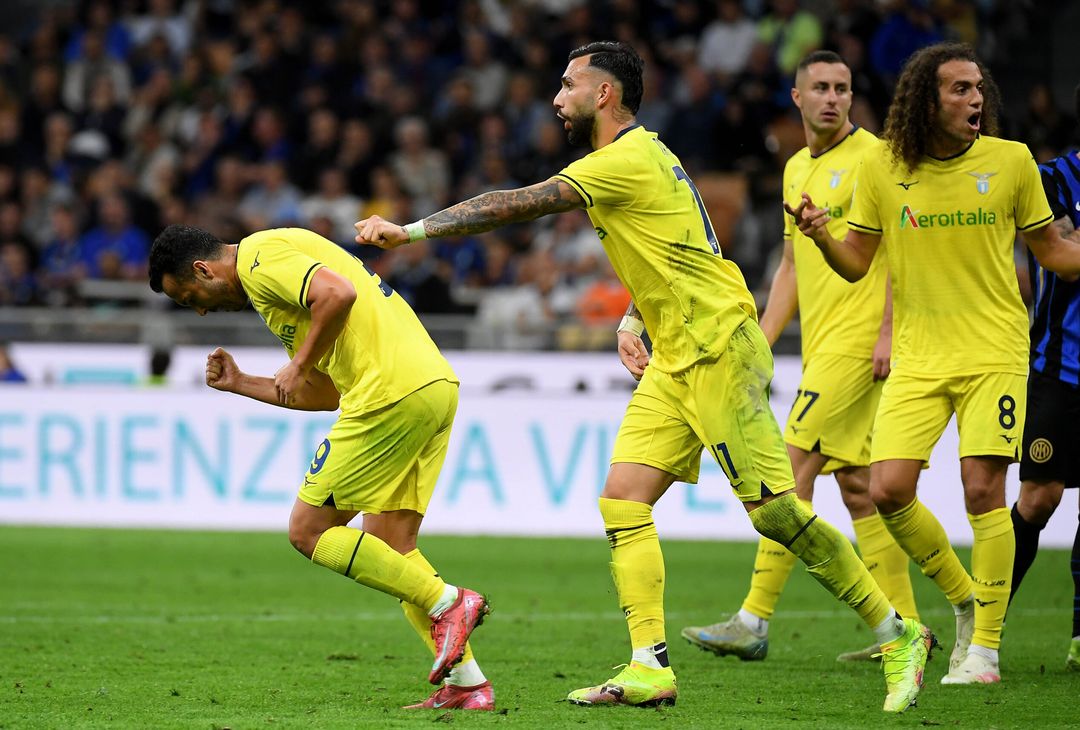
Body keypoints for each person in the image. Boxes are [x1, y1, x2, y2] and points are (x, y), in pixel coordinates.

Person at [356, 41, 934, 713]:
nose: (557, 98)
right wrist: (635, 318)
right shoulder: (647, 157)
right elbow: (677, 248)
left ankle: (899, 634)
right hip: (676, 354)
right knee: (624, 500)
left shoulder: (622, 159)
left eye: (568, 85)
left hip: (717, 348)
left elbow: (516, 203)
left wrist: (411, 232)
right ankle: (649, 666)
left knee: (776, 512)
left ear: (604, 94)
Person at [786, 42, 1080, 685]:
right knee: (888, 490)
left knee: (983, 488)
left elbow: (1055, 253)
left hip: (994, 350)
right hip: (918, 356)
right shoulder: (884, 168)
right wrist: (822, 236)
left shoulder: (1011, 162)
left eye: (979, 87)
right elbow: (857, 264)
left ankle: (985, 652)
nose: (976, 98)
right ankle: (966, 598)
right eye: (959, 88)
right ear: (926, 100)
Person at [148, 224, 493, 710]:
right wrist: (243, 382)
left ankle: (449, 603)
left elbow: (338, 293)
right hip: (430, 388)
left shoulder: (259, 259)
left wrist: (300, 361)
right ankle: (468, 684)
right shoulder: (276, 285)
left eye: (190, 297)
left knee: (308, 530)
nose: (200, 310)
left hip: (387, 394)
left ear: (203, 270)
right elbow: (322, 391)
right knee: (392, 549)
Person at [681, 50, 919, 664]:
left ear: (852, 97)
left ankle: (753, 619)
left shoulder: (874, 159)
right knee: (858, 489)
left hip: (858, 346)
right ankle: (906, 629)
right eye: (820, 87)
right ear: (797, 98)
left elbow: (903, 250)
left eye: (842, 88)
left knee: (786, 474)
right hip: (822, 347)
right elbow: (789, 265)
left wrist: (888, 330)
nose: (832, 98)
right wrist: (758, 341)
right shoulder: (795, 168)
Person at [1007, 83, 1080, 672]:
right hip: (1059, 367)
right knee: (1037, 499)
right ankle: (984, 624)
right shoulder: (1053, 179)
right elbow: (1057, 252)